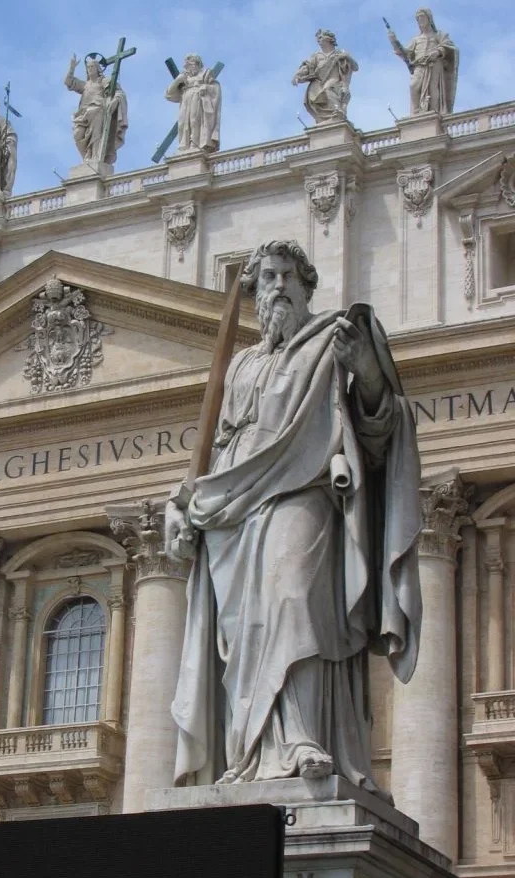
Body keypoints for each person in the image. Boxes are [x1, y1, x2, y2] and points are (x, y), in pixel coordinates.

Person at [165, 240, 422, 794]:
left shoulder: (331, 343)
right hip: (236, 511)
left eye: (287, 276)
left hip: (304, 491)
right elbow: (222, 443)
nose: (277, 286)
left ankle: (304, 736)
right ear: (255, 294)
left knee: (294, 596)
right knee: (245, 631)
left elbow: (379, 429)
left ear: (307, 286)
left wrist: (367, 373)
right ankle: (254, 749)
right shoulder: (242, 365)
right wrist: (187, 502)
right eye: (266, 279)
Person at [387, 8, 458, 115]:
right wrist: (394, 41)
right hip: (419, 65)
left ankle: (434, 113)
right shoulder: (416, 39)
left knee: (433, 88)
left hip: (434, 64)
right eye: (418, 18)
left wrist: (438, 51)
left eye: (422, 17)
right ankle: (416, 112)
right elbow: (405, 52)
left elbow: (449, 47)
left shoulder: (439, 35)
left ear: (429, 19)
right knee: (413, 86)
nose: (420, 20)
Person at [64, 54, 128, 166]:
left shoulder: (103, 81)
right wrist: (72, 67)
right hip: (83, 114)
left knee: (96, 135)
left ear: (98, 68)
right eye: (88, 67)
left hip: (98, 111)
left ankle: (95, 158)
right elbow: (68, 82)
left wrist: (115, 101)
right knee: (77, 134)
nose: (89, 69)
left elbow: (119, 92)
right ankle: (87, 157)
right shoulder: (85, 85)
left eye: (92, 67)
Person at [292, 29, 358, 124]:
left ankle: (338, 113)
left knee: (328, 90)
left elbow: (355, 67)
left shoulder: (339, 54)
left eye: (320, 38)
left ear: (328, 39)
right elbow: (307, 67)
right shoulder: (317, 56)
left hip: (334, 81)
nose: (318, 41)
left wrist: (347, 57)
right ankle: (329, 119)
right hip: (318, 83)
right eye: (318, 39)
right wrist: (298, 75)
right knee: (318, 95)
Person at [165, 54, 221, 152]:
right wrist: (177, 80)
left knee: (195, 121)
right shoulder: (184, 77)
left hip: (198, 99)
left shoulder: (206, 75)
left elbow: (215, 88)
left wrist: (205, 88)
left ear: (198, 64)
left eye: (191, 65)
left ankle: (194, 144)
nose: (189, 68)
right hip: (185, 100)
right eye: (187, 66)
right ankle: (184, 145)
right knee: (182, 123)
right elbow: (169, 94)